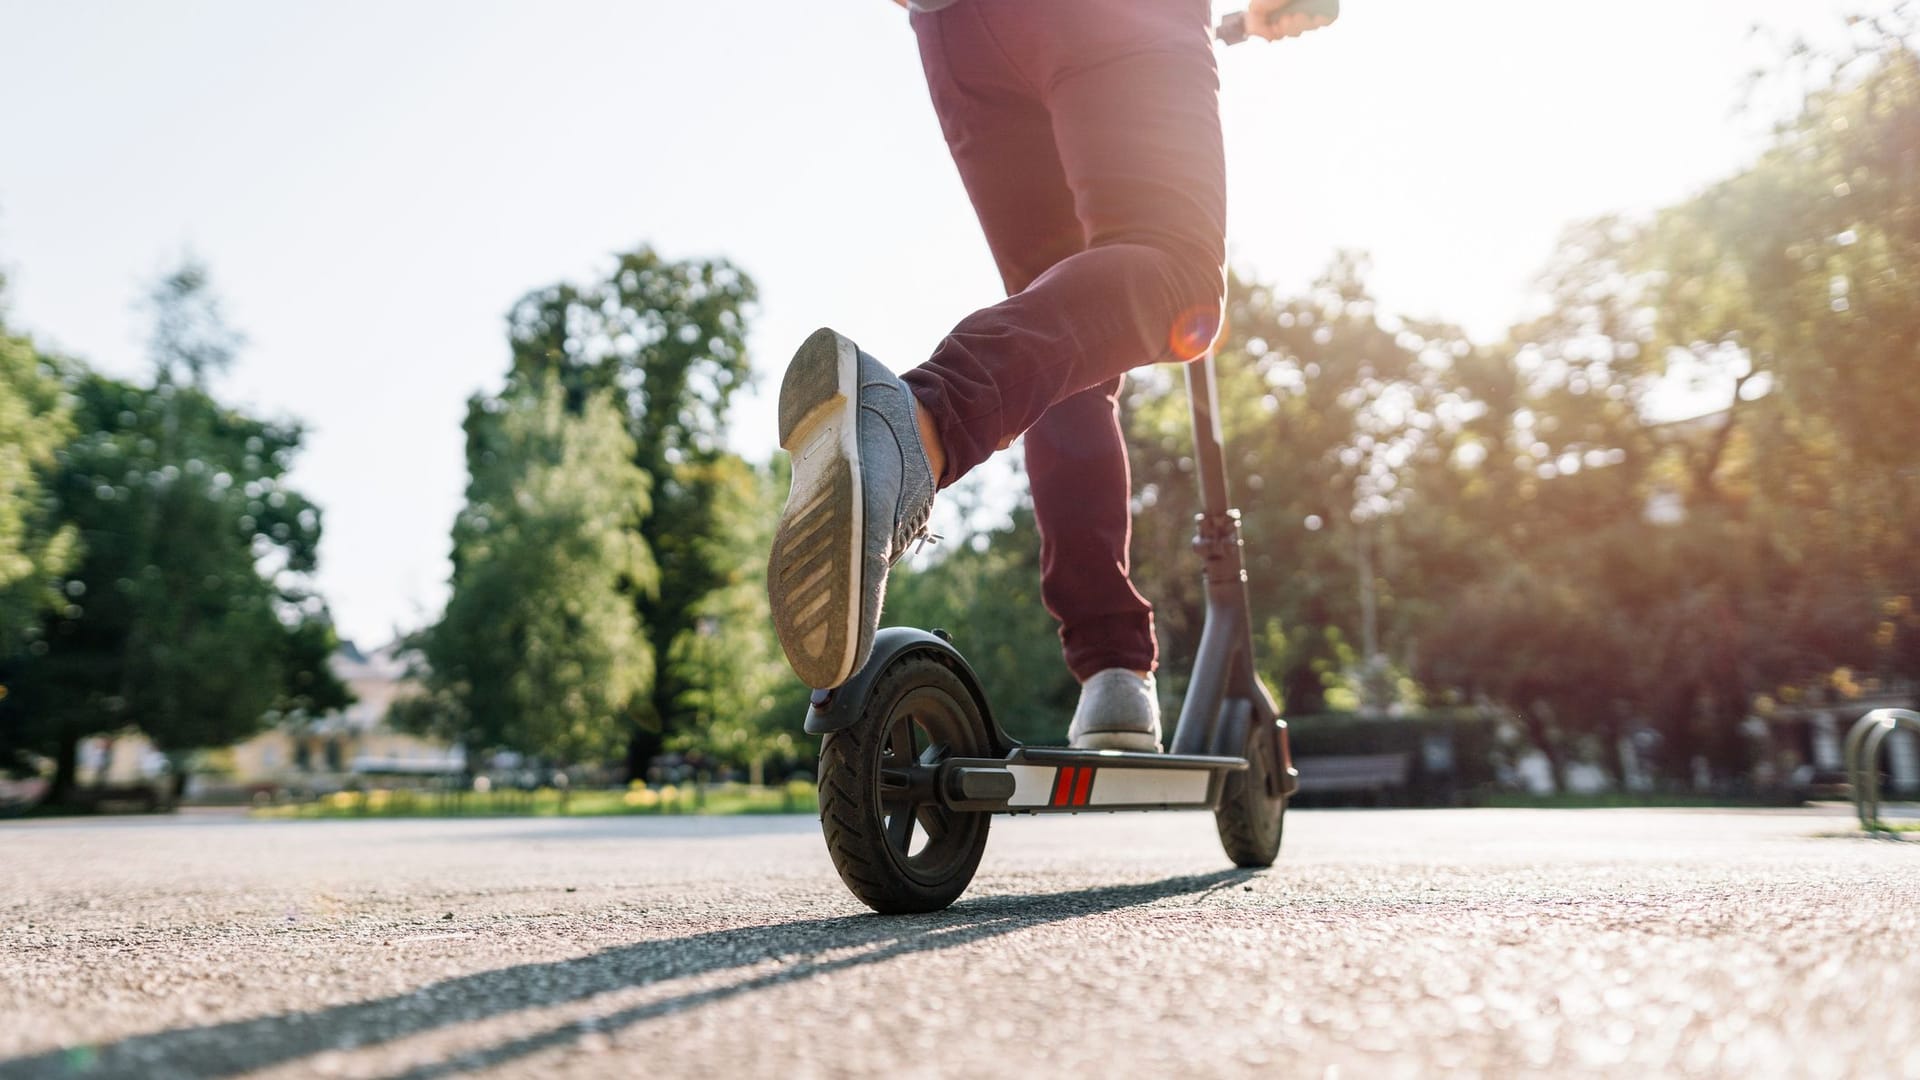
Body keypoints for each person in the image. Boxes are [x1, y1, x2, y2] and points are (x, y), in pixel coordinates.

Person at [767, 0, 1334, 752]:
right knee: (1177, 277)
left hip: (957, 32)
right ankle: (919, 423)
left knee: (1064, 335)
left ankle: (1114, 675)